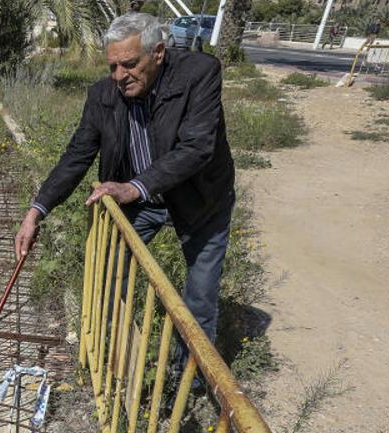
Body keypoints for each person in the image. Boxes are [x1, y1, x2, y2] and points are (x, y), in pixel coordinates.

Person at [13, 12, 235, 374]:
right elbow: (77, 156)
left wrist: (135, 187)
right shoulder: (103, 94)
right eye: (113, 66)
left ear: (158, 53)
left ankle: (188, 379)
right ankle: (115, 360)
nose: (119, 76)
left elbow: (197, 148)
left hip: (200, 197)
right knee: (108, 269)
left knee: (199, 294)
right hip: (144, 198)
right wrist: (35, 211)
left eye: (129, 65)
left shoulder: (199, 74)